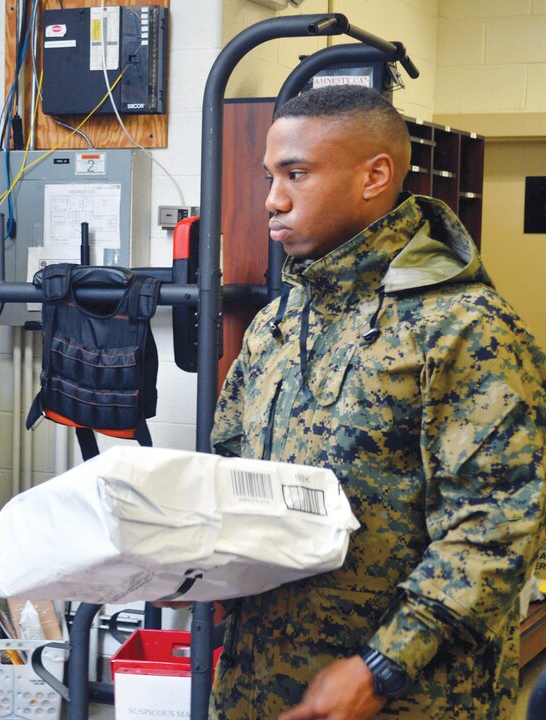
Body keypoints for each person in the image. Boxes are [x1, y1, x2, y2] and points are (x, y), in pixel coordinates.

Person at [210, 84, 546, 720]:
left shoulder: (464, 327)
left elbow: (498, 526)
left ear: (375, 175)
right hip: (263, 683)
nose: (272, 200)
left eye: (296, 174)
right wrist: (194, 569)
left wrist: (382, 666)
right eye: (268, 177)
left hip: (407, 695)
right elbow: (231, 470)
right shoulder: (278, 322)